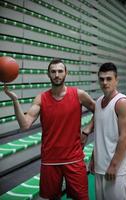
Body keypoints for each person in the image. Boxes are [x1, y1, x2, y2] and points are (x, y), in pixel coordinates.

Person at [4, 58, 95, 200]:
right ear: (48, 74)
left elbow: (101, 111)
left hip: (74, 159)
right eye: (53, 71)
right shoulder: (41, 99)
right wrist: (15, 100)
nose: (57, 75)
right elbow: (24, 125)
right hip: (50, 161)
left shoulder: (79, 95)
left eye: (60, 71)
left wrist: (88, 129)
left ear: (66, 73)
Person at [82, 62, 126, 200]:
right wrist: (93, 158)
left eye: (109, 79)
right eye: (102, 79)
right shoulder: (98, 102)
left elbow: (125, 137)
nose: (105, 82)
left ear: (116, 80)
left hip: (116, 170)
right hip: (100, 167)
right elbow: (100, 134)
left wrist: (114, 165)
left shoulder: (122, 103)